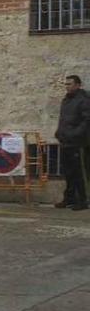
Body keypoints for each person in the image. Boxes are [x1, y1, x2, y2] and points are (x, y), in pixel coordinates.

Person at [54, 75, 90, 211]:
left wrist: (74, 134)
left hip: (78, 143)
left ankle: (83, 200)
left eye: (70, 84)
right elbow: (64, 119)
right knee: (68, 172)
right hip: (65, 142)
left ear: (78, 85)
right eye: (66, 84)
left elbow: (86, 121)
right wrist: (59, 132)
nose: (67, 86)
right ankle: (69, 198)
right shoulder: (66, 100)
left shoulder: (84, 100)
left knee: (79, 172)